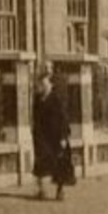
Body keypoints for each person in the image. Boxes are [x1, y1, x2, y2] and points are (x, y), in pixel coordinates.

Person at [31, 68, 76, 201]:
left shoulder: (57, 99)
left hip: (56, 136)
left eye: (45, 84)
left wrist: (63, 137)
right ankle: (41, 190)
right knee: (41, 163)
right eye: (41, 84)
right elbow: (36, 118)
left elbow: (64, 118)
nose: (43, 86)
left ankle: (60, 190)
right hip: (43, 136)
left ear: (50, 84)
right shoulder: (38, 100)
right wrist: (35, 133)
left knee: (60, 163)